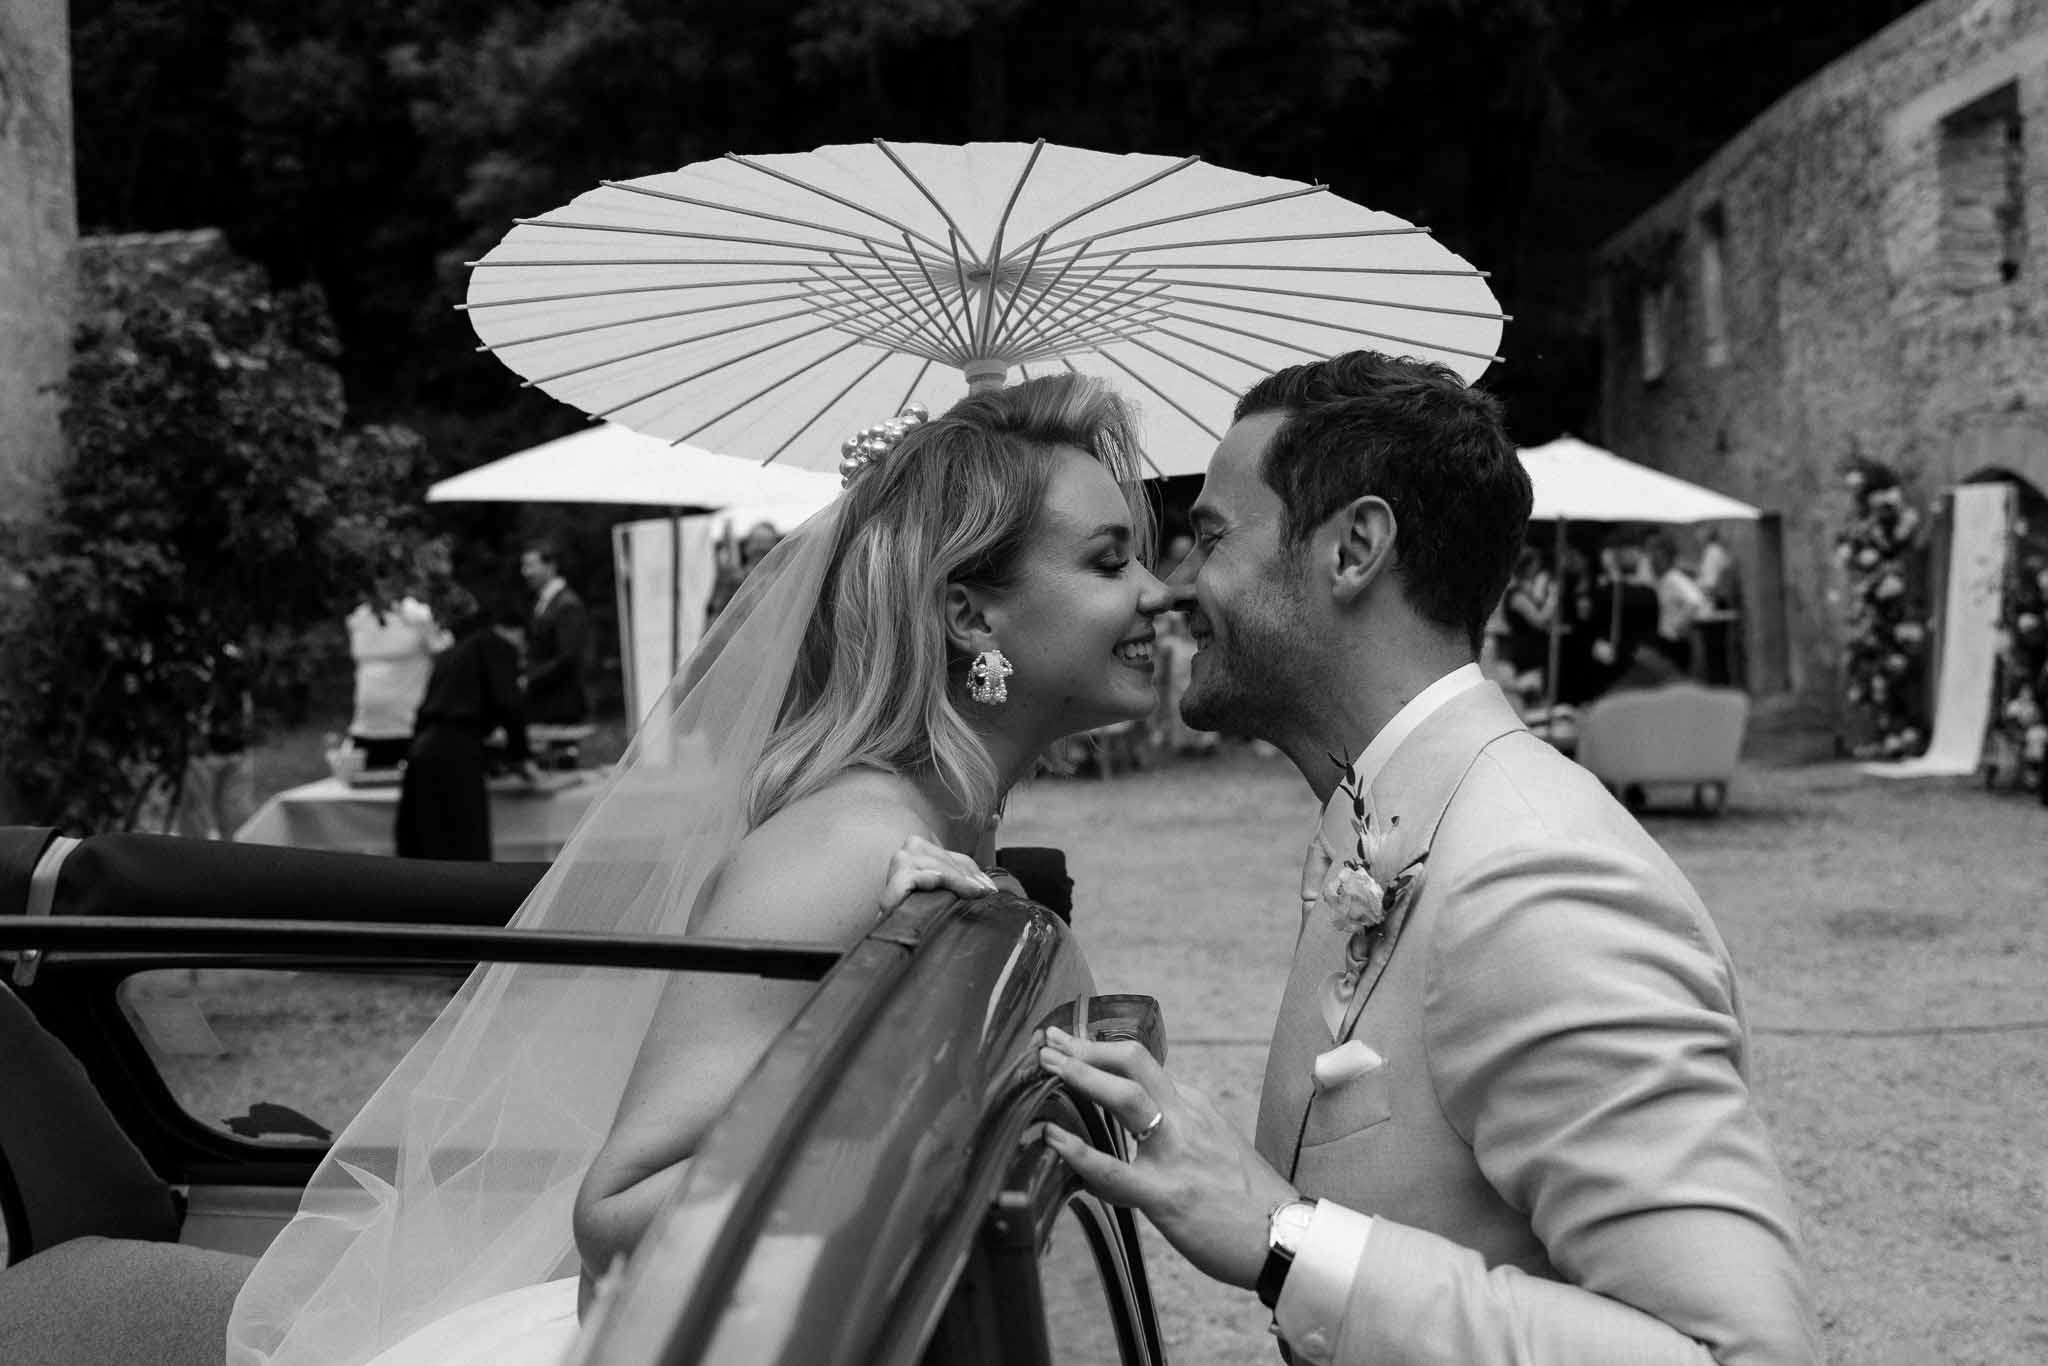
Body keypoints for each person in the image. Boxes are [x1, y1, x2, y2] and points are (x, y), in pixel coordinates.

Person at [224, 375, 1170, 1366]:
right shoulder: (846, 850)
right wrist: (929, 1118)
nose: (1155, 590)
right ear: (968, 617)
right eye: (1110, 562)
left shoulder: (943, 824)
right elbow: (620, 1214)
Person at [1034, 351, 1818, 1366]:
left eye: (1210, 537)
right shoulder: (1386, 815)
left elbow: (1734, 1352)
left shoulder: (1529, 876)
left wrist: (1284, 1243)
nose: (1177, 586)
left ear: (1352, 547)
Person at [393, 587, 540, 861]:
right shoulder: (497, 646)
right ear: (515, 632)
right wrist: (522, 756)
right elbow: (509, 703)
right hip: (457, 755)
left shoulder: (454, 653)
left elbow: (428, 709)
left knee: (426, 846)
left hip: (422, 753)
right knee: (462, 845)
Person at [344, 584, 446, 769]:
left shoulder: (419, 617)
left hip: (409, 728)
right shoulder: (358, 618)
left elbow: (445, 654)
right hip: (367, 728)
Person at [172, 640, 257, 840]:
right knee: (196, 822)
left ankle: (236, 864)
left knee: (237, 820)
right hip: (205, 753)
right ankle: (192, 863)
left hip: (235, 751)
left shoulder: (236, 660)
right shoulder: (197, 666)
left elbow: (246, 707)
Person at [519, 541, 590, 725]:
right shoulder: (543, 603)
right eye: (523, 566)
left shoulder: (567, 605)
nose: (525, 572)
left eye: (531, 566)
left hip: (561, 704)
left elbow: (567, 658)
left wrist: (530, 680)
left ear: (550, 566)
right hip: (545, 702)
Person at [1650, 532, 1711, 674]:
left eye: (1657, 558)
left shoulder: (1674, 579)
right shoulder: (1664, 580)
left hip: (1674, 641)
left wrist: (1679, 626)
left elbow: (1695, 601)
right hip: (1666, 640)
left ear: (1667, 558)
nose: (1653, 562)